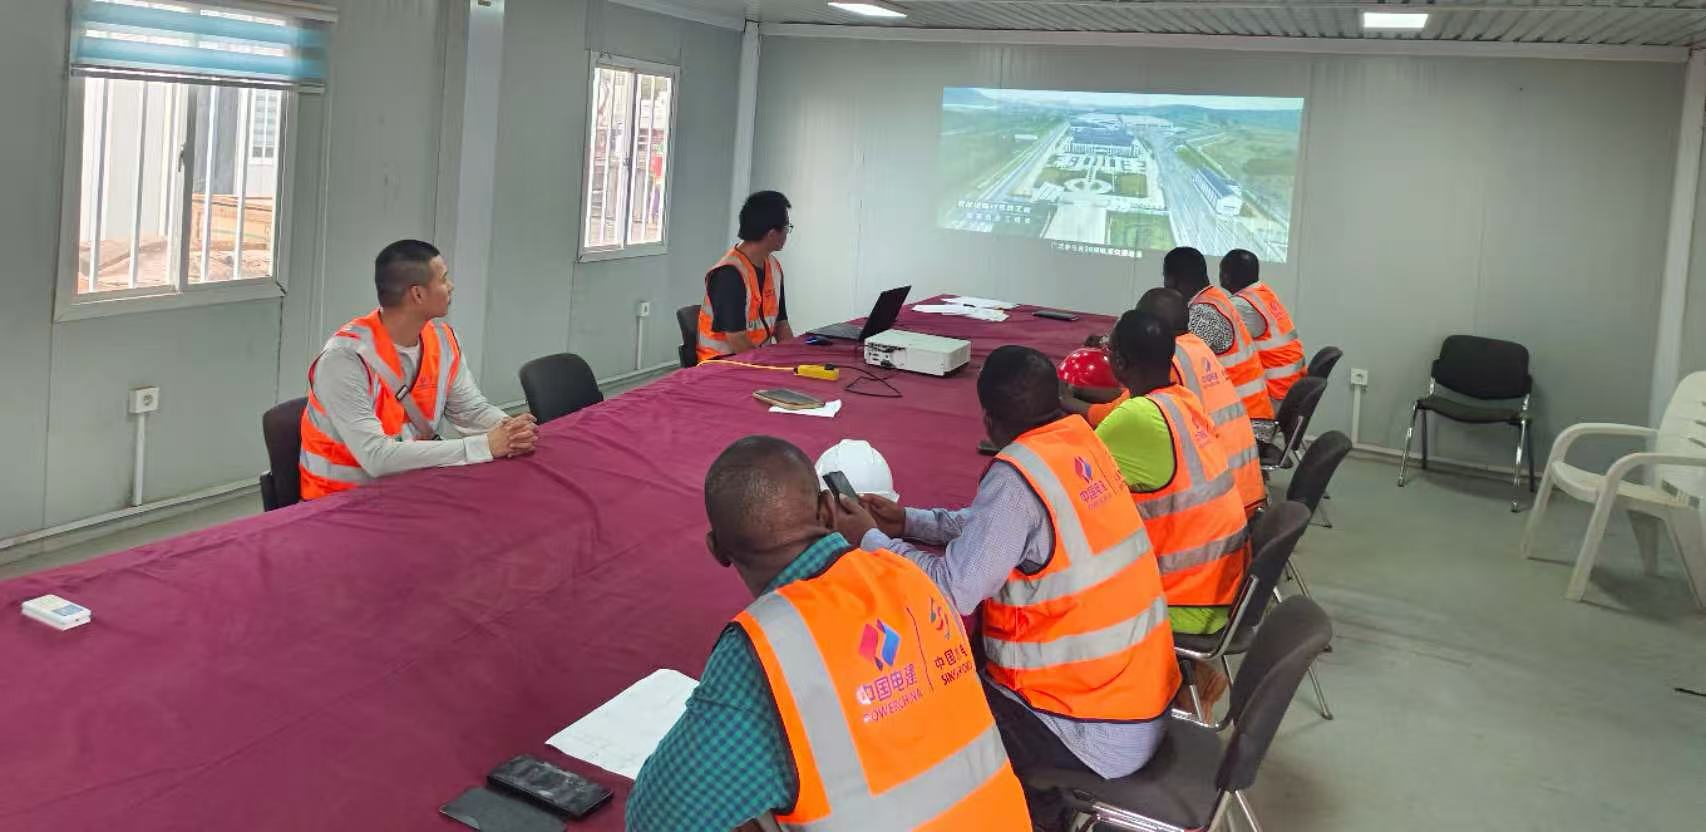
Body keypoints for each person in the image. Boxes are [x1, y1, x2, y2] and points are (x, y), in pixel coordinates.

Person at [841, 346, 1179, 826]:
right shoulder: (1078, 443)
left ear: (988, 419)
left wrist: (869, 540)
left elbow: (953, 592)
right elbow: (1002, 530)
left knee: (920, 710)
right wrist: (909, 522)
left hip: (1085, 730)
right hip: (1136, 700)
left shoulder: (1017, 478)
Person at [628, 436, 1029, 832]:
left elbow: (657, 819)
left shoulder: (764, 650)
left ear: (717, 549)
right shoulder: (911, 576)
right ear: (826, 510)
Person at [298, 240, 536, 500]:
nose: (451, 286)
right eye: (443, 279)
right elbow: (376, 457)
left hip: (409, 489)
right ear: (418, 295)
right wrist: (484, 446)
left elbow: (470, 410)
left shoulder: (443, 341)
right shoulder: (343, 360)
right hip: (337, 504)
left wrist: (511, 429)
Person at [1095, 310, 1251, 636]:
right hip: (1218, 587)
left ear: (1119, 362)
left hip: (1182, 601)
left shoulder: (1137, 417)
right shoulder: (1183, 399)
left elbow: (1067, 480)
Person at [1060, 290, 1265, 514]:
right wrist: (1079, 390)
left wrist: (1063, 399)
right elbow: (1126, 399)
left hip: (1217, 501)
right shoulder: (1192, 354)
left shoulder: (1153, 391)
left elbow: (1110, 417)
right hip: (1234, 488)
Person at [1161, 246, 1274, 421]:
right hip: (1246, 411)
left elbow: (1171, 364)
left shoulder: (1204, 313)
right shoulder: (1214, 300)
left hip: (1245, 421)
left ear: (1172, 281)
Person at [695, 191, 794, 362]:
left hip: (755, 359)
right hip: (722, 365)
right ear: (771, 234)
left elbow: (781, 324)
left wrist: (793, 359)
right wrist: (769, 367)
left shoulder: (773, 267)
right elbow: (737, 338)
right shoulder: (729, 274)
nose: (787, 234)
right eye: (786, 228)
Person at [1220, 248, 1306, 410]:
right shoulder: (1262, 293)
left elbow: (1214, 341)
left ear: (1227, 276)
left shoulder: (1242, 305)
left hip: (1275, 394)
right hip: (1291, 387)